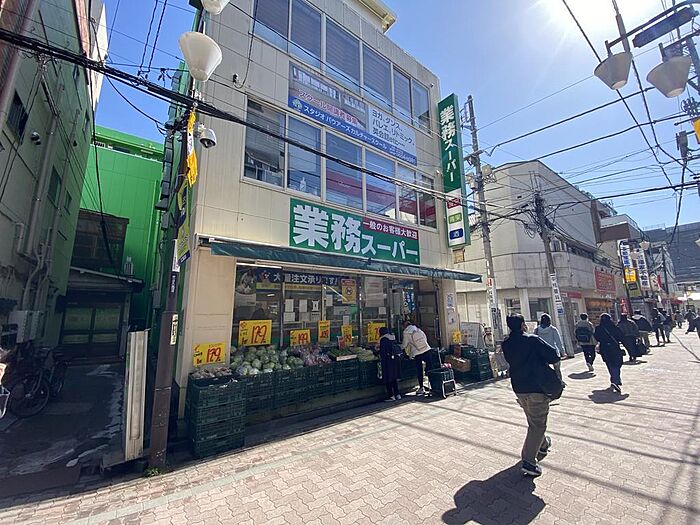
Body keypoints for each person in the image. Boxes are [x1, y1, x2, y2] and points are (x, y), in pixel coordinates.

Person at [502, 314, 560, 477]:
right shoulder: (532, 340)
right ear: (522, 325)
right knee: (537, 425)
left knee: (534, 421)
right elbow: (553, 356)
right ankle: (528, 462)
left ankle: (543, 444)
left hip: (519, 387)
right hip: (537, 387)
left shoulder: (506, 344)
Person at [594, 313, 625, 393]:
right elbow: (621, 336)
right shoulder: (614, 327)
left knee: (610, 364)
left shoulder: (598, 328)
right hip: (615, 348)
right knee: (617, 363)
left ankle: (614, 380)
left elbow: (596, 337)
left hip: (604, 349)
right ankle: (615, 380)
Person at [401, 320, 432, 396]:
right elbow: (425, 337)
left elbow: (405, 344)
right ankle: (432, 385)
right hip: (426, 349)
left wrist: (400, 347)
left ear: (404, 326)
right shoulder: (417, 329)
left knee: (419, 370)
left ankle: (421, 387)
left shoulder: (406, 332)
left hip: (417, 353)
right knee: (430, 368)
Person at [534, 314, 565, 379]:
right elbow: (558, 342)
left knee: (545, 371)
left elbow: (535, 342)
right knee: (557, 370)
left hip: (542, 354)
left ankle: (547, 382)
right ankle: (559, 381)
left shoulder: (537, 330)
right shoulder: (553, 329)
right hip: (553, 352)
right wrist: (562, 352)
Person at [377, 327, 401, 402]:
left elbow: (383, 352)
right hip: (394, 361)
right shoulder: (392, 338)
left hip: (387, 362)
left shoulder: (383, 339)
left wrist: (377, 352)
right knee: (393, 378)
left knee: (388, 378)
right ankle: (397, 394)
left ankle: (391, 396)